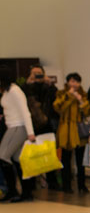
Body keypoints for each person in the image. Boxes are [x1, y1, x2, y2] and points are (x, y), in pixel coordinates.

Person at [0, 66, 36, 203]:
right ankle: (26, 192)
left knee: (3, 156)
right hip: (12, 126)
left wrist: (30, 133)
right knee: (17, 159)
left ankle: (12, 190)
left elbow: (25, 112)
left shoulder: (15, 91)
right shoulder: (7, 91)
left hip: (18, 127)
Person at [23, 64, 59, 190]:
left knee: (49, 154)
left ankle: (52, 182)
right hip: (32, 125)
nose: (37, 75)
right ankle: (33, 184)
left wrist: (50, 84)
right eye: (34, 73)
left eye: (39, 73)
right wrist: (27, 84)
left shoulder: (48, 87)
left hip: (47, 124)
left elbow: (55, 99)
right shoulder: (26, 87)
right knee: (33, 155)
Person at [54, 73, 90, 193]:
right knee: (66, 159)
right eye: (72, 81)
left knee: (81, 160)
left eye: (77, 82)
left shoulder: (83, 94)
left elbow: (88, 112)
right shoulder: (61, 94)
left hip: (79, 130)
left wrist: (80, 100)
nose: (74, 84)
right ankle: (66, 186)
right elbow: (58, 108)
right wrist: (69, 96)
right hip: (66, 130)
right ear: (67, 82)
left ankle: (82, 185)